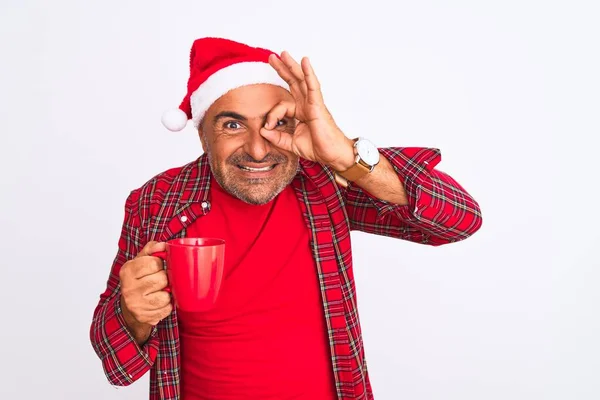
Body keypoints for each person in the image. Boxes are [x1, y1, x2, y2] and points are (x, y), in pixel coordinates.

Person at [90, 37, 483, 400]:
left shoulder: (324, 184)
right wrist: (132, 315)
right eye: (232, 124)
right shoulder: (158, 200)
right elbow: (117, 365)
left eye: (277, 122)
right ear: (202, 133)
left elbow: (459, 219)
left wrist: (345, 154)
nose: (259, 150)